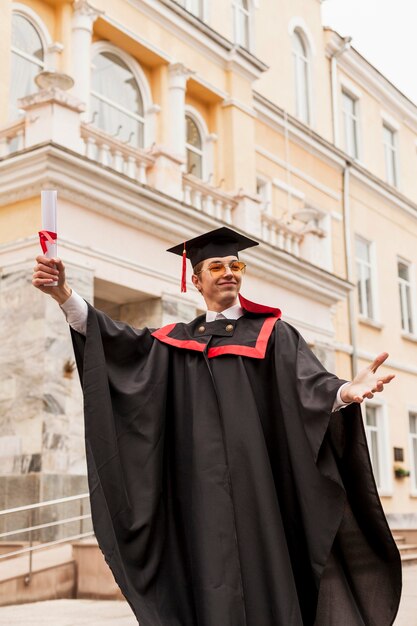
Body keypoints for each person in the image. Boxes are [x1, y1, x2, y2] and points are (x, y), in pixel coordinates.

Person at [32, 226, 401, 626]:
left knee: (267, 582)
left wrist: (346, 391)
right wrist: (64, 296)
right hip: (198, 499)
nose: (229, 272)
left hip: (260, 496)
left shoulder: (272, 334)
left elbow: (308, 386)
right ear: (196, 280)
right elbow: (118, 342)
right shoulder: (174, 342)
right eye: (217, 266)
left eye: (235, 264)